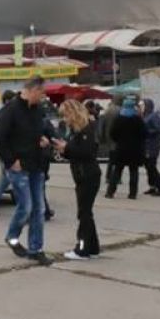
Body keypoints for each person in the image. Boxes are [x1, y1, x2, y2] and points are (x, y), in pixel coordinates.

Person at [0, 77, 52, 265]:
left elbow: (40, 131)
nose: (43, 97)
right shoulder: (10, 110)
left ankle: (36, 249)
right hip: (19, 167)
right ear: (33, 90)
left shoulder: (37, 111)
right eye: (41, 93)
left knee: (39, 209)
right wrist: (10, 161)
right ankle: (12, 236)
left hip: (36, 165)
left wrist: (43, 140)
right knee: (26, 206)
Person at [55, 100, 101, 260]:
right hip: (82, 175)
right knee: (86, 212)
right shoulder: (77, 131)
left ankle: (82, 249)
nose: (64, 119)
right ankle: (93, 247)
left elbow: (86, 152)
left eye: (65, 115)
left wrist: (67, 147)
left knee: (84, 213)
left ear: (73, 114)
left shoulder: (86, 129)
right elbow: (75, 153)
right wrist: (63, 149)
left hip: (88, 175)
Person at [107, 98, 146, 199]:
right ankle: (132, 194)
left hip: (121, 148)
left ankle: (110, 192)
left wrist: (119, 140)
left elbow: (112, 133)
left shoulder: (119, 118)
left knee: (117, 170)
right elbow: (144, 134)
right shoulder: (138, 119)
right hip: (135, 149)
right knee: (134, 171)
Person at [142, 99, 160, 197]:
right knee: (148, 167)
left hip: (152, 145)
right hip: (146, 144)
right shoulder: (145, 116)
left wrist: (147, 131)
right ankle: (152, 186)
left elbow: (159, 129)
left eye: (144, 105)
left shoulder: (153, 116)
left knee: (152, 166)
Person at [97, 96, 122, 187]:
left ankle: (108, 176)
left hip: (109, 138)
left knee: (111, 159)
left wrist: (102, 138)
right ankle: (116, 177)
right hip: (118, 138)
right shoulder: (120, 110)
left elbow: (102, 126)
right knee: (118, 159)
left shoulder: (106, 111)